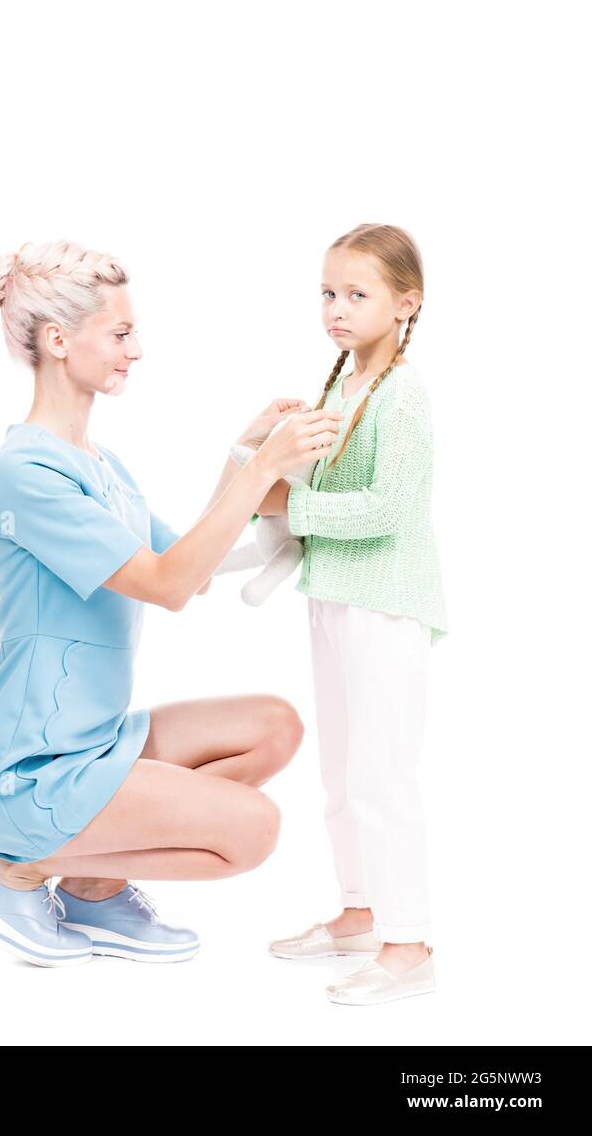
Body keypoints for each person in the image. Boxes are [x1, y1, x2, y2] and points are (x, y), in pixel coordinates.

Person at [0, 238, 344, 967]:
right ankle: (10, 871)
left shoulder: (102, 466)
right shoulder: (26, 469)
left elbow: (185, 569)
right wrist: (261, 469)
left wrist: (241, 457)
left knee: (273, 728)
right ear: (60, 341)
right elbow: (162, 584)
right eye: (121, 334)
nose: (136, 350)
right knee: (251, 830)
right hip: (26, 772)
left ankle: (94, 887)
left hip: (91, 744)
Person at [254, 223, 448, 1005]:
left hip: (386, 601)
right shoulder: (342, 384)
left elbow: (388, 509)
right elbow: (303, 486)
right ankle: (360, 913)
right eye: (328, 293)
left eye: (356, 294)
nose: (336, 308)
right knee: (341, 771)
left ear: (407, 304)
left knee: (381, 773)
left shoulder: (402, 395)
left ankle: (411, 946)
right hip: (334, 596)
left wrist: (294, 504)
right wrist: (266, 452)